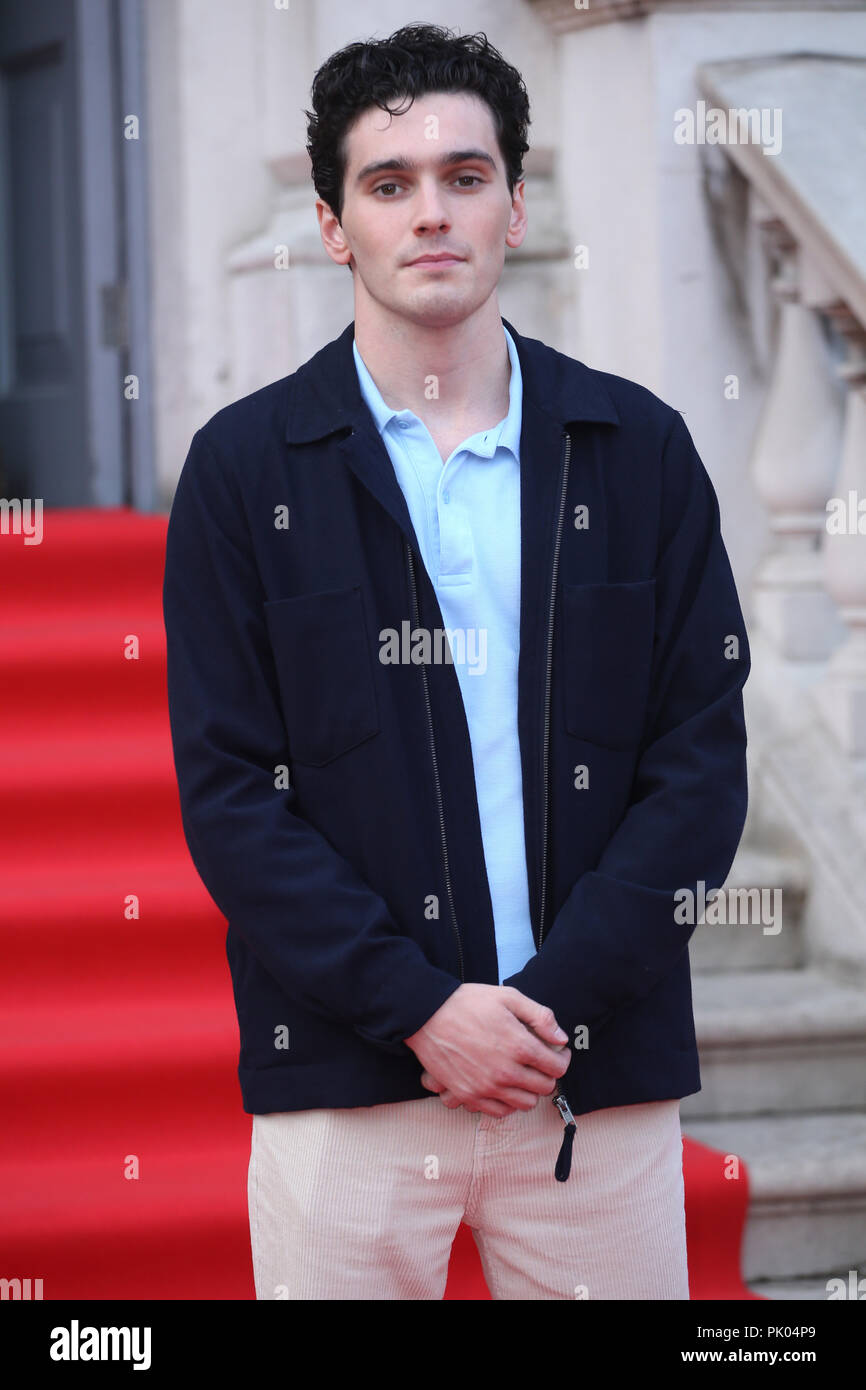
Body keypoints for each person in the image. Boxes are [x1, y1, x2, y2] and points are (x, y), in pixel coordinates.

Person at [162, 22, 750, 1300]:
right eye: (388, 185)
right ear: (333, 226)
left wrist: (540, 1011)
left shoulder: (637, 452)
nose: (430, 213)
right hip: (346, 1085)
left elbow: (696, 768)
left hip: (587, 1075)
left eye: (463, 177)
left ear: (515, 206)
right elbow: (229, 797)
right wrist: (424, 1009)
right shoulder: (241, 472)